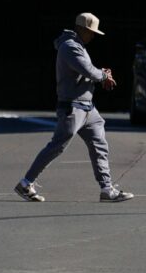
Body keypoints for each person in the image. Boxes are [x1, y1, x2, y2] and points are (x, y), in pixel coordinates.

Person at [14, 12, 134, 203]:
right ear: (82, 29)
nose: (93, 36)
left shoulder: (78, 46)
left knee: (99, 145)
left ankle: (106, 189)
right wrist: (102, 75)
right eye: (91, 32)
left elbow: (87, 70)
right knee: (57, 146)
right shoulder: (69, 47)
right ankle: (26, 183)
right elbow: (86, 69)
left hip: (88, 107)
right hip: (73, 107)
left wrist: (101, 74)